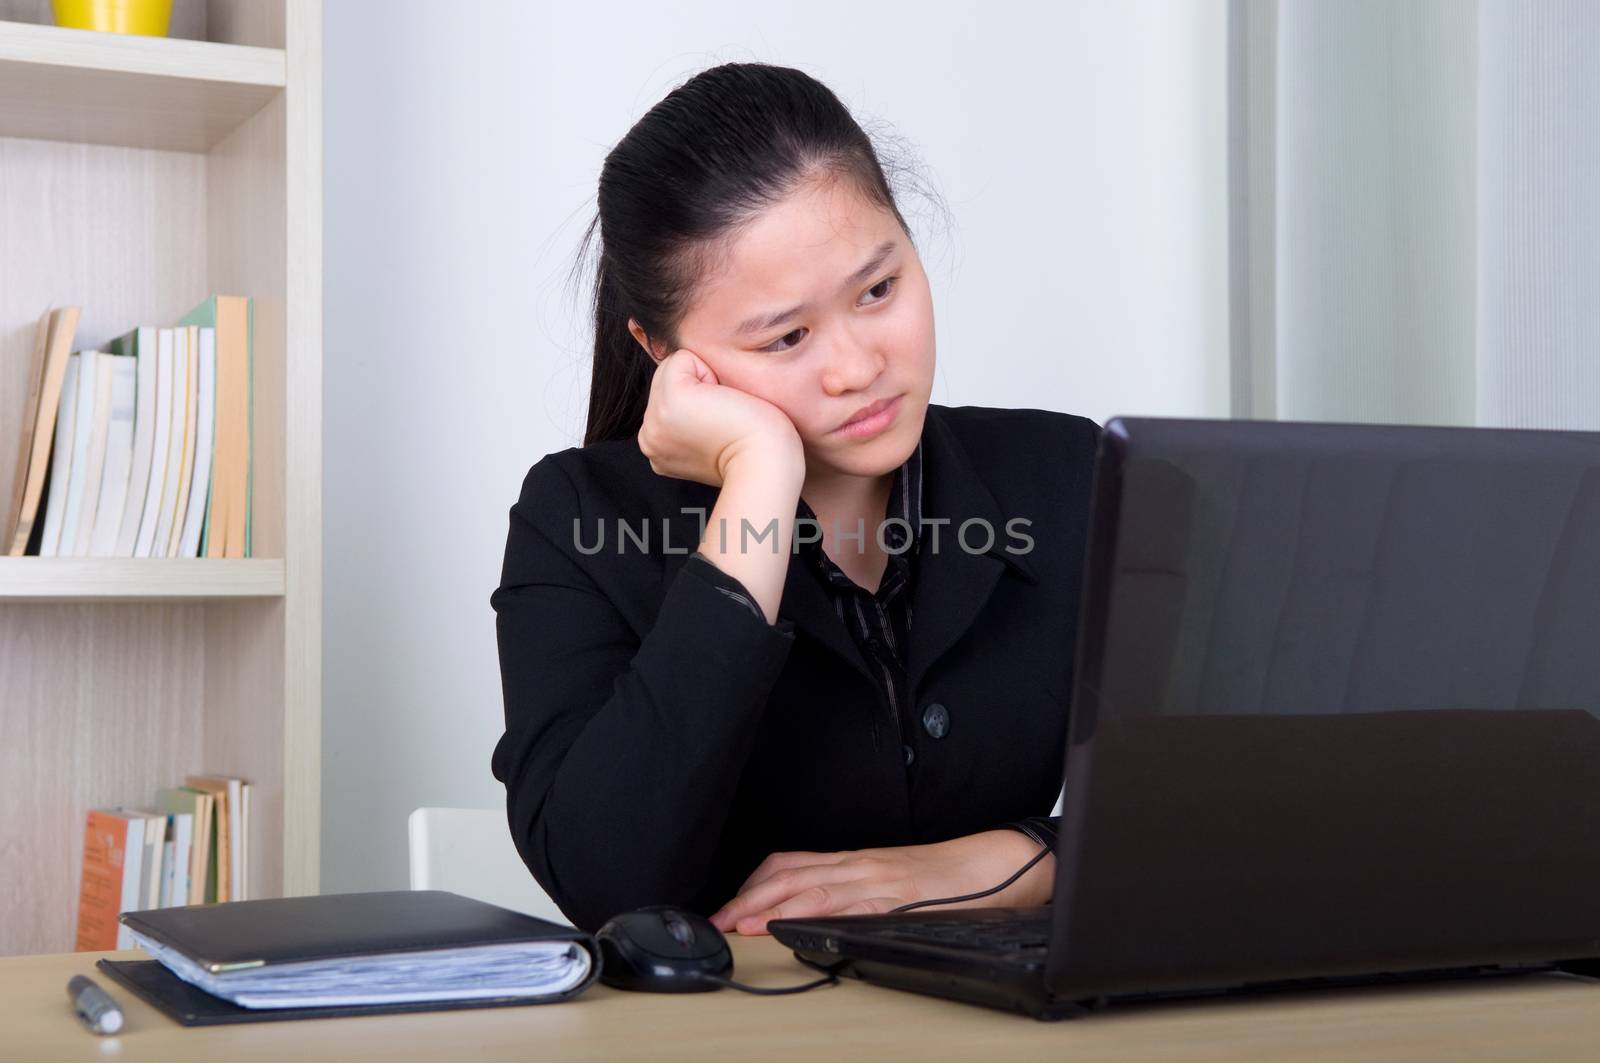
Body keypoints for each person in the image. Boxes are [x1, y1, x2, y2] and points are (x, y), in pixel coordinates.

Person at [491, 62, 1101, 936]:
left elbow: (1235, 805)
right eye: (786, 336)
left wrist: (995, 864)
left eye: (879, 289)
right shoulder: (577, 520)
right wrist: (759, 476)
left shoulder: (1064, 471)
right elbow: (607, 882)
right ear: (662, 352)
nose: (858, 367)